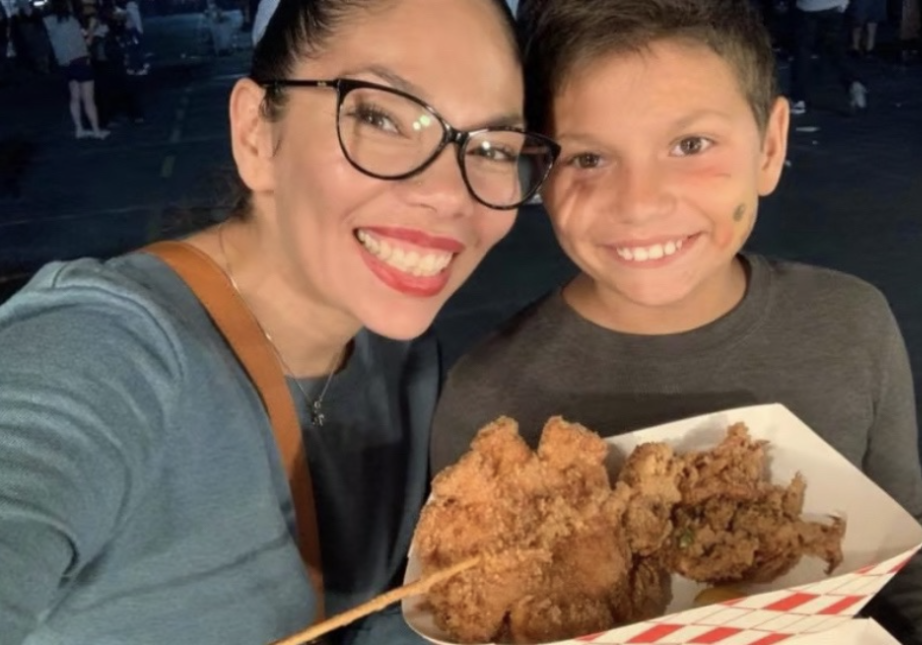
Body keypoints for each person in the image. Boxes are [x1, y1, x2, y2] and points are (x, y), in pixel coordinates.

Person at [0, 0, 557, 644]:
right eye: (380, 116)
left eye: (492, 146)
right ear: (257, 134)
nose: (451, 195)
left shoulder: (407, 366)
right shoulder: (104, 349)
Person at [429, 0, 922, 643]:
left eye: (690, 144)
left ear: (770, 148)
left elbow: (911, 534)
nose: (640, 203)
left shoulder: (853, 325)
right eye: (589, 158)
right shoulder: (487, 396)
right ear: (542, 170)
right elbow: (462, 598)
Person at [42, 0, 109, 139]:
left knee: (74, 97)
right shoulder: (71, 21)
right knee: (88, 99)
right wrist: (91, 30)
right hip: (80, 60)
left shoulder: (48, 21)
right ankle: (96, 130)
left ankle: (79, 129)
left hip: (64, 63)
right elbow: (85, 42)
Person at [789, 0, 867, 115]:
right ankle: (852, 82)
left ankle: (798, 99)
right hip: (836, 5)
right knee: (836, 50)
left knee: (803, 52)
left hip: (808, 6)